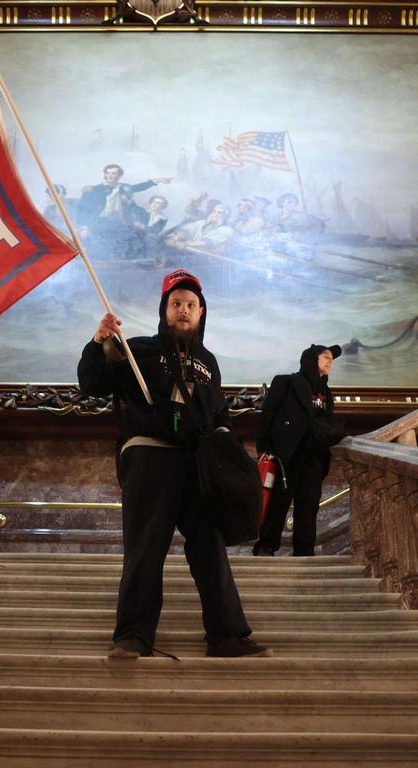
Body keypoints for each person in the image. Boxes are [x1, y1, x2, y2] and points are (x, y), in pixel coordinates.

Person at [78, 269, 270, 659]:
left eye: (190, 305)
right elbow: (93, 383)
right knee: (145, 548)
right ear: (164, 309)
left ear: (202, 312)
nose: (183, 310)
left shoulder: (209, 362)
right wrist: (100, 342)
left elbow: (220, 415)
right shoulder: (137, 350)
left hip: (197, 464)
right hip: (150, 456)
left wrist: (226, 449)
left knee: (210, 549)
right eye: (176, 303)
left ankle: (227, 636)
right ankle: (133, 635)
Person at [253, 344, 344, 557]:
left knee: (309, 505)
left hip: (314, 457)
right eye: (325, 357)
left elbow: (327, 422)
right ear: (311, 359)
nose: (330, 361)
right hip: (287, 455)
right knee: (278, 503)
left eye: (332, 358)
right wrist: (264, 448)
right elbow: (268, 416)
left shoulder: (326, 393)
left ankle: (304, 552)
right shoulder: (285, 382)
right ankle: (266, 546)